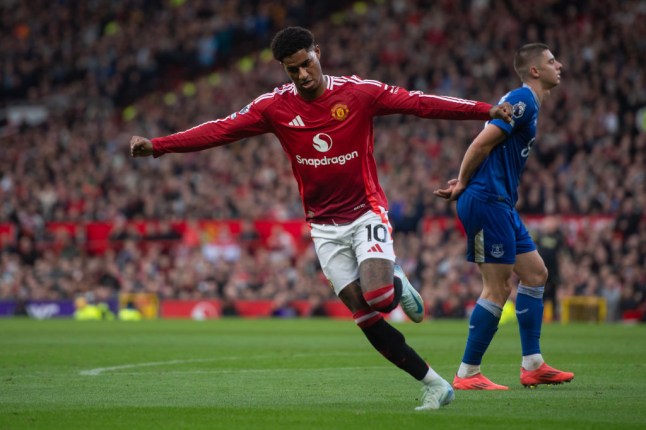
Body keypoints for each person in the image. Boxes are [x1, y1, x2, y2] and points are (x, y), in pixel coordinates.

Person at [130, 26, 512, 409]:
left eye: (306, 63)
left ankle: (394, 276)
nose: (301, 75)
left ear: (318, 52)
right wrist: (159, 146)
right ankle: (434, 385)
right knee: (365, 318)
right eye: (291, 69)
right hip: (324, 228)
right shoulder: (273, 107)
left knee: (379, 297)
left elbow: (420, 103)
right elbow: (220, 130)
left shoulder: (358, 93)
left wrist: (484, 110)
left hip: (365, 212)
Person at [434, 43, 574, 390]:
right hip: (486, 201)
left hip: (500, 203)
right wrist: (464, 182)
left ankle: (533, 364)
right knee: (497, 288)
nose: (560, 65)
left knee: (536, 273)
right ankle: (467, 373)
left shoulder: (529, 104)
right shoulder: (522, 100)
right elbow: (481, 143)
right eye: (552, 61)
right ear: (535, 71)